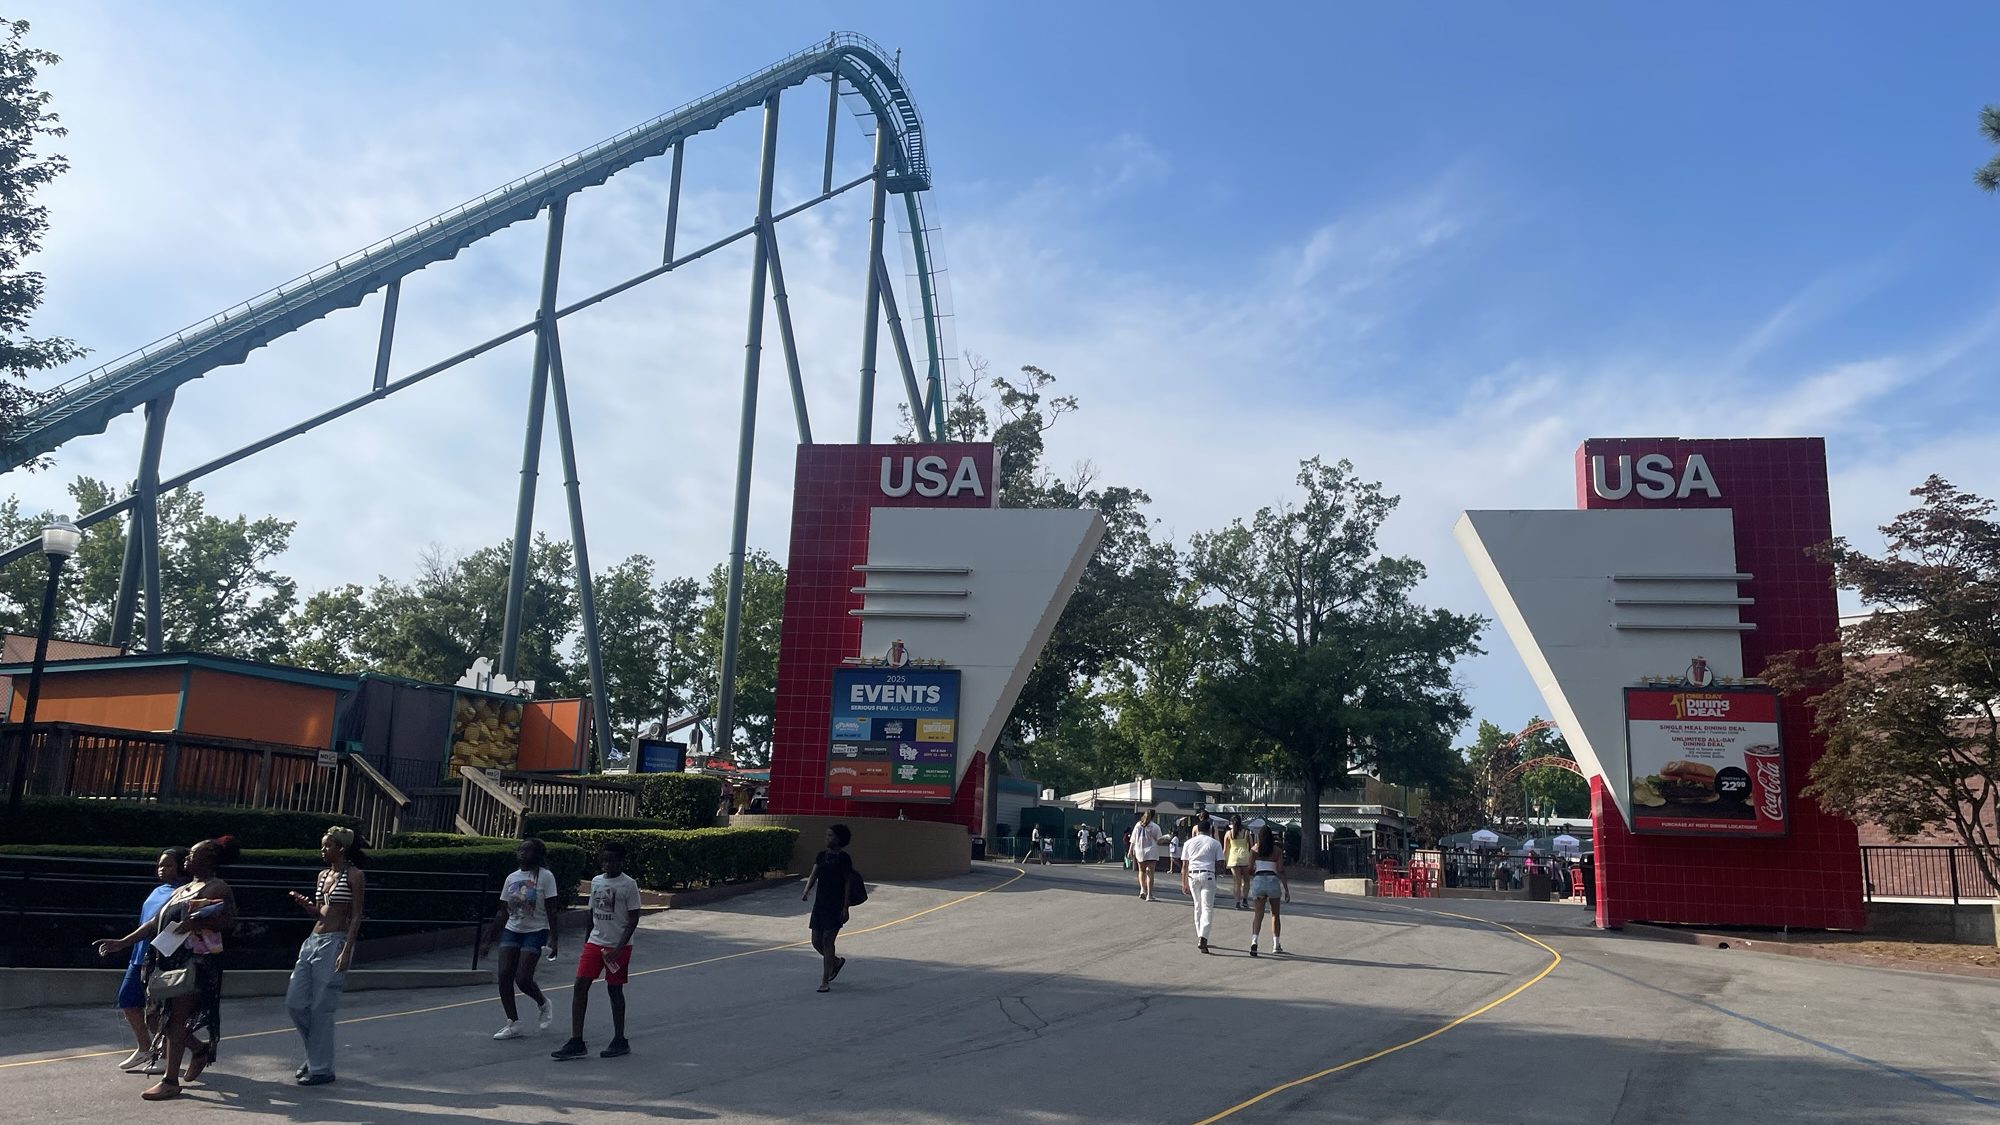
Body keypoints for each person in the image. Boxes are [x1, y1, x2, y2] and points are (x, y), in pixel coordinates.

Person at [95, 836, 240, 1100]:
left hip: (195, 963)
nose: (187, 858)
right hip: (167, 959)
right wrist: (122, 942)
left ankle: (170, 1081)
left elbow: (230, 921)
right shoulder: (183, 889)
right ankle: (199, 1049)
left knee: (175, 1019)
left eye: (193, 855)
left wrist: (199, 923)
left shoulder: (217, 887)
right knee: (155, 1018)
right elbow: (154, 922)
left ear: (208, 860)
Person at [92, 846, 189, 1074]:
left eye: (168, 865)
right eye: (160, 865)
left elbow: (166, 925)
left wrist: (125, 942)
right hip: (139, 955)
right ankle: (144, 1048)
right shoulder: (158, 890)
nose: (161, 869)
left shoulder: (184, 892)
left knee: (160, 1010)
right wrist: (124, 943)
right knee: (128, 1000)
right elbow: (147, 923)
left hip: (163, 956)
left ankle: (166, 1055)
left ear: (181, 867)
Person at [283, 827, 367, 1086]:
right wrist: (307, 905)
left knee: (321, 1007)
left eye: (327, 846)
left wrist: (347, 950)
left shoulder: (355, 875)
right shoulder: (322, 875)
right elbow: (320, 912)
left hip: (335, 942)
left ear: (341, 848)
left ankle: (321, 1068)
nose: (323, 850)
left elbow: (356, 915)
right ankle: (316, 1056)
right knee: (295, 1002)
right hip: (313, 941)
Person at [553, 843, 641, 1060]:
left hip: (618, 945)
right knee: (580, 985)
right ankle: (576, 1040)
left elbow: (633, 919)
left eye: (612, 860)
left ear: (621, 861)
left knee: (614, 989)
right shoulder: (596, 881)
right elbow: (591, 914)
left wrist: (618, 948)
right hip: (595, 942)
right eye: (604, 860)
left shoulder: (629, 885)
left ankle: (619, 1039)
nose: (607, 864)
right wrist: (587, 942)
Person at [481, 838, 561, 1040]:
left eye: (528, 850)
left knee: (523, 978)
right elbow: (503, 911)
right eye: (521, 850)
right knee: (504, 974)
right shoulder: (512, 878)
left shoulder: (546, 877)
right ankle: (513, 1022)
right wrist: (488, 939)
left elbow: (552, 909)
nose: (523, 853)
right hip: (512, 929)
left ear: (538, 854)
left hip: (536, 930)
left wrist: (554, 938)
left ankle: (543, 1003)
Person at [801, 824, 855, 993]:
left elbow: (848, 882)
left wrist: (846, 907)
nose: (827, 838)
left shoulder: (844, 858)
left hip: (835, 905)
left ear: (839, 839)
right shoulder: (821, 856)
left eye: (830, 835)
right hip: (820, 904)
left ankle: (825, 981)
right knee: (816, 942)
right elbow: (814, 874)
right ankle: (836, 962)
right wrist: (807, 890)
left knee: (827, 941)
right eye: (826, 835)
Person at [1179, 818, 1224, 953]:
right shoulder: (1215, 843)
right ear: (1210, 830)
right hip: (1208, 874)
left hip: (1192, 875)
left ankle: (1200, 935)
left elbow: (1184, 865)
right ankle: (1203, 937)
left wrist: (1184, 883)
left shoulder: (1188, 843)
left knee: (1197, 906)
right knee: (1207, 907)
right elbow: (1220, 863)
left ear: (1197, 830)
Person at [1247, 826, 1291, 956]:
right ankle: (1276, 944)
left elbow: (1249, 869)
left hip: (1259, 881)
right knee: (1275, 915)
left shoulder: (1254, 850)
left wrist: (1254, 871)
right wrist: (1286, 889)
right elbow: (1281, 870)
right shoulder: (1277, 851)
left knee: (1258, 915)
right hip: (1272, 881)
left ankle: (1254, 941)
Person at [1223, 815, 1253, 910]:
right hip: (1245, 858)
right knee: (1246, 881)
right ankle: (1245, 899)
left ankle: (1237, 902)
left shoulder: (1228, 833)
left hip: (1233, 859)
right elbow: (1251, 847)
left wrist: (1224, 861)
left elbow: (1225, 849)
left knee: (1237, 882)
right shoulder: (1246, 833)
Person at [1129, 811, 1161, 900]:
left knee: (1142, 871)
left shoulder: (1138, 825)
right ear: (1153, 817)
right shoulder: (1155, 827)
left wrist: (1130, 850)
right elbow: (1159, 840)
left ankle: (1142, 890)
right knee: (1150, 874)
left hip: (1139, 851)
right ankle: (1149, 895)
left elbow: (1133, 839)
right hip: (1151, 851)